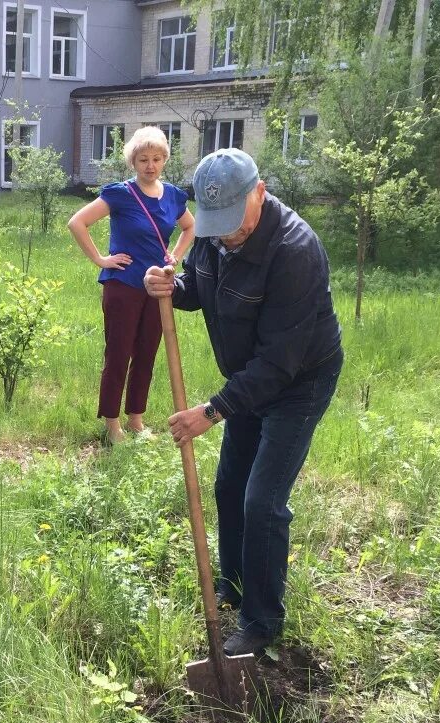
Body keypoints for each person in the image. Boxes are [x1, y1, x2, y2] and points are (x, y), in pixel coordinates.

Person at [144, 149, 343, 656]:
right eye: (217, 224)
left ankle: (261, 622)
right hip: (249, 378)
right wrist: (171, 286)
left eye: (234, 221)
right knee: (230, 485)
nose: (226, 234)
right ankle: (232, 587)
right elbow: (202, 288)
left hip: (298, 381)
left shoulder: (294, 250)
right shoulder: (215, 237)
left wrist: (211, 412)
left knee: (262, 499)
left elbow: (279, 363)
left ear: (260, 190)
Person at [68, 126, 194, 446]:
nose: (150, 166)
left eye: (156, 159)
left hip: (157, 287)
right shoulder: (120, 193)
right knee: (119, 352)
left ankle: (136, 419)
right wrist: (101, 259)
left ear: (164, 159)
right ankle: (112, 424)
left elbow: (189, 228)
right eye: (143, 160)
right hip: (122, 286)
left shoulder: (174, 196)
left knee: (147, 352)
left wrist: (174, 258)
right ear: (133, 162)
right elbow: (77, 222)